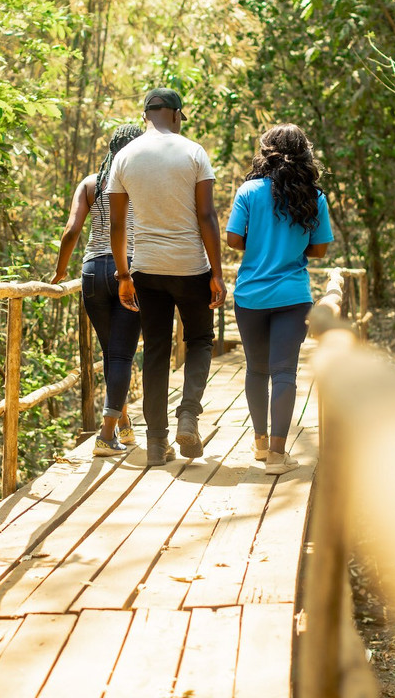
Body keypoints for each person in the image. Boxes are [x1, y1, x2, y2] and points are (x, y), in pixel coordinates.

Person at [107, 88, 227, 466]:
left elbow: (116, 225)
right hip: (191, 267)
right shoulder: (193, 152)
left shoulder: (124, 157)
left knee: (156, 350)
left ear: (145, 116)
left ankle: (157, 443)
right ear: (176, 115)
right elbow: (207, 216)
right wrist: (217, 274)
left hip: (147, 269)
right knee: (200, 340)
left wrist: (123, 275)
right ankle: (188, 414)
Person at [225, 124, 334, 474]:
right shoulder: (314, 196)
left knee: (256, 370)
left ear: (266, 152)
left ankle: (259, 443)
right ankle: (276, 455)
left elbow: (232, 239)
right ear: (304, 153)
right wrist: (292, 247)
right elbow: (320, 249)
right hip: (292, 295)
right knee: (284, 372)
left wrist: (258, 244)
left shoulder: (249, 191)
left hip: (250, 296)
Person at [52, 124, 144, 456]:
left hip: (92, 272)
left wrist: (61, 270)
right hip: (127, 271)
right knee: (121, 355)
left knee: (111, 353)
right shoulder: (141, 183)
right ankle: (106, 435)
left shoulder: (91, 183)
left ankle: (123, 422)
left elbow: (71, 230)